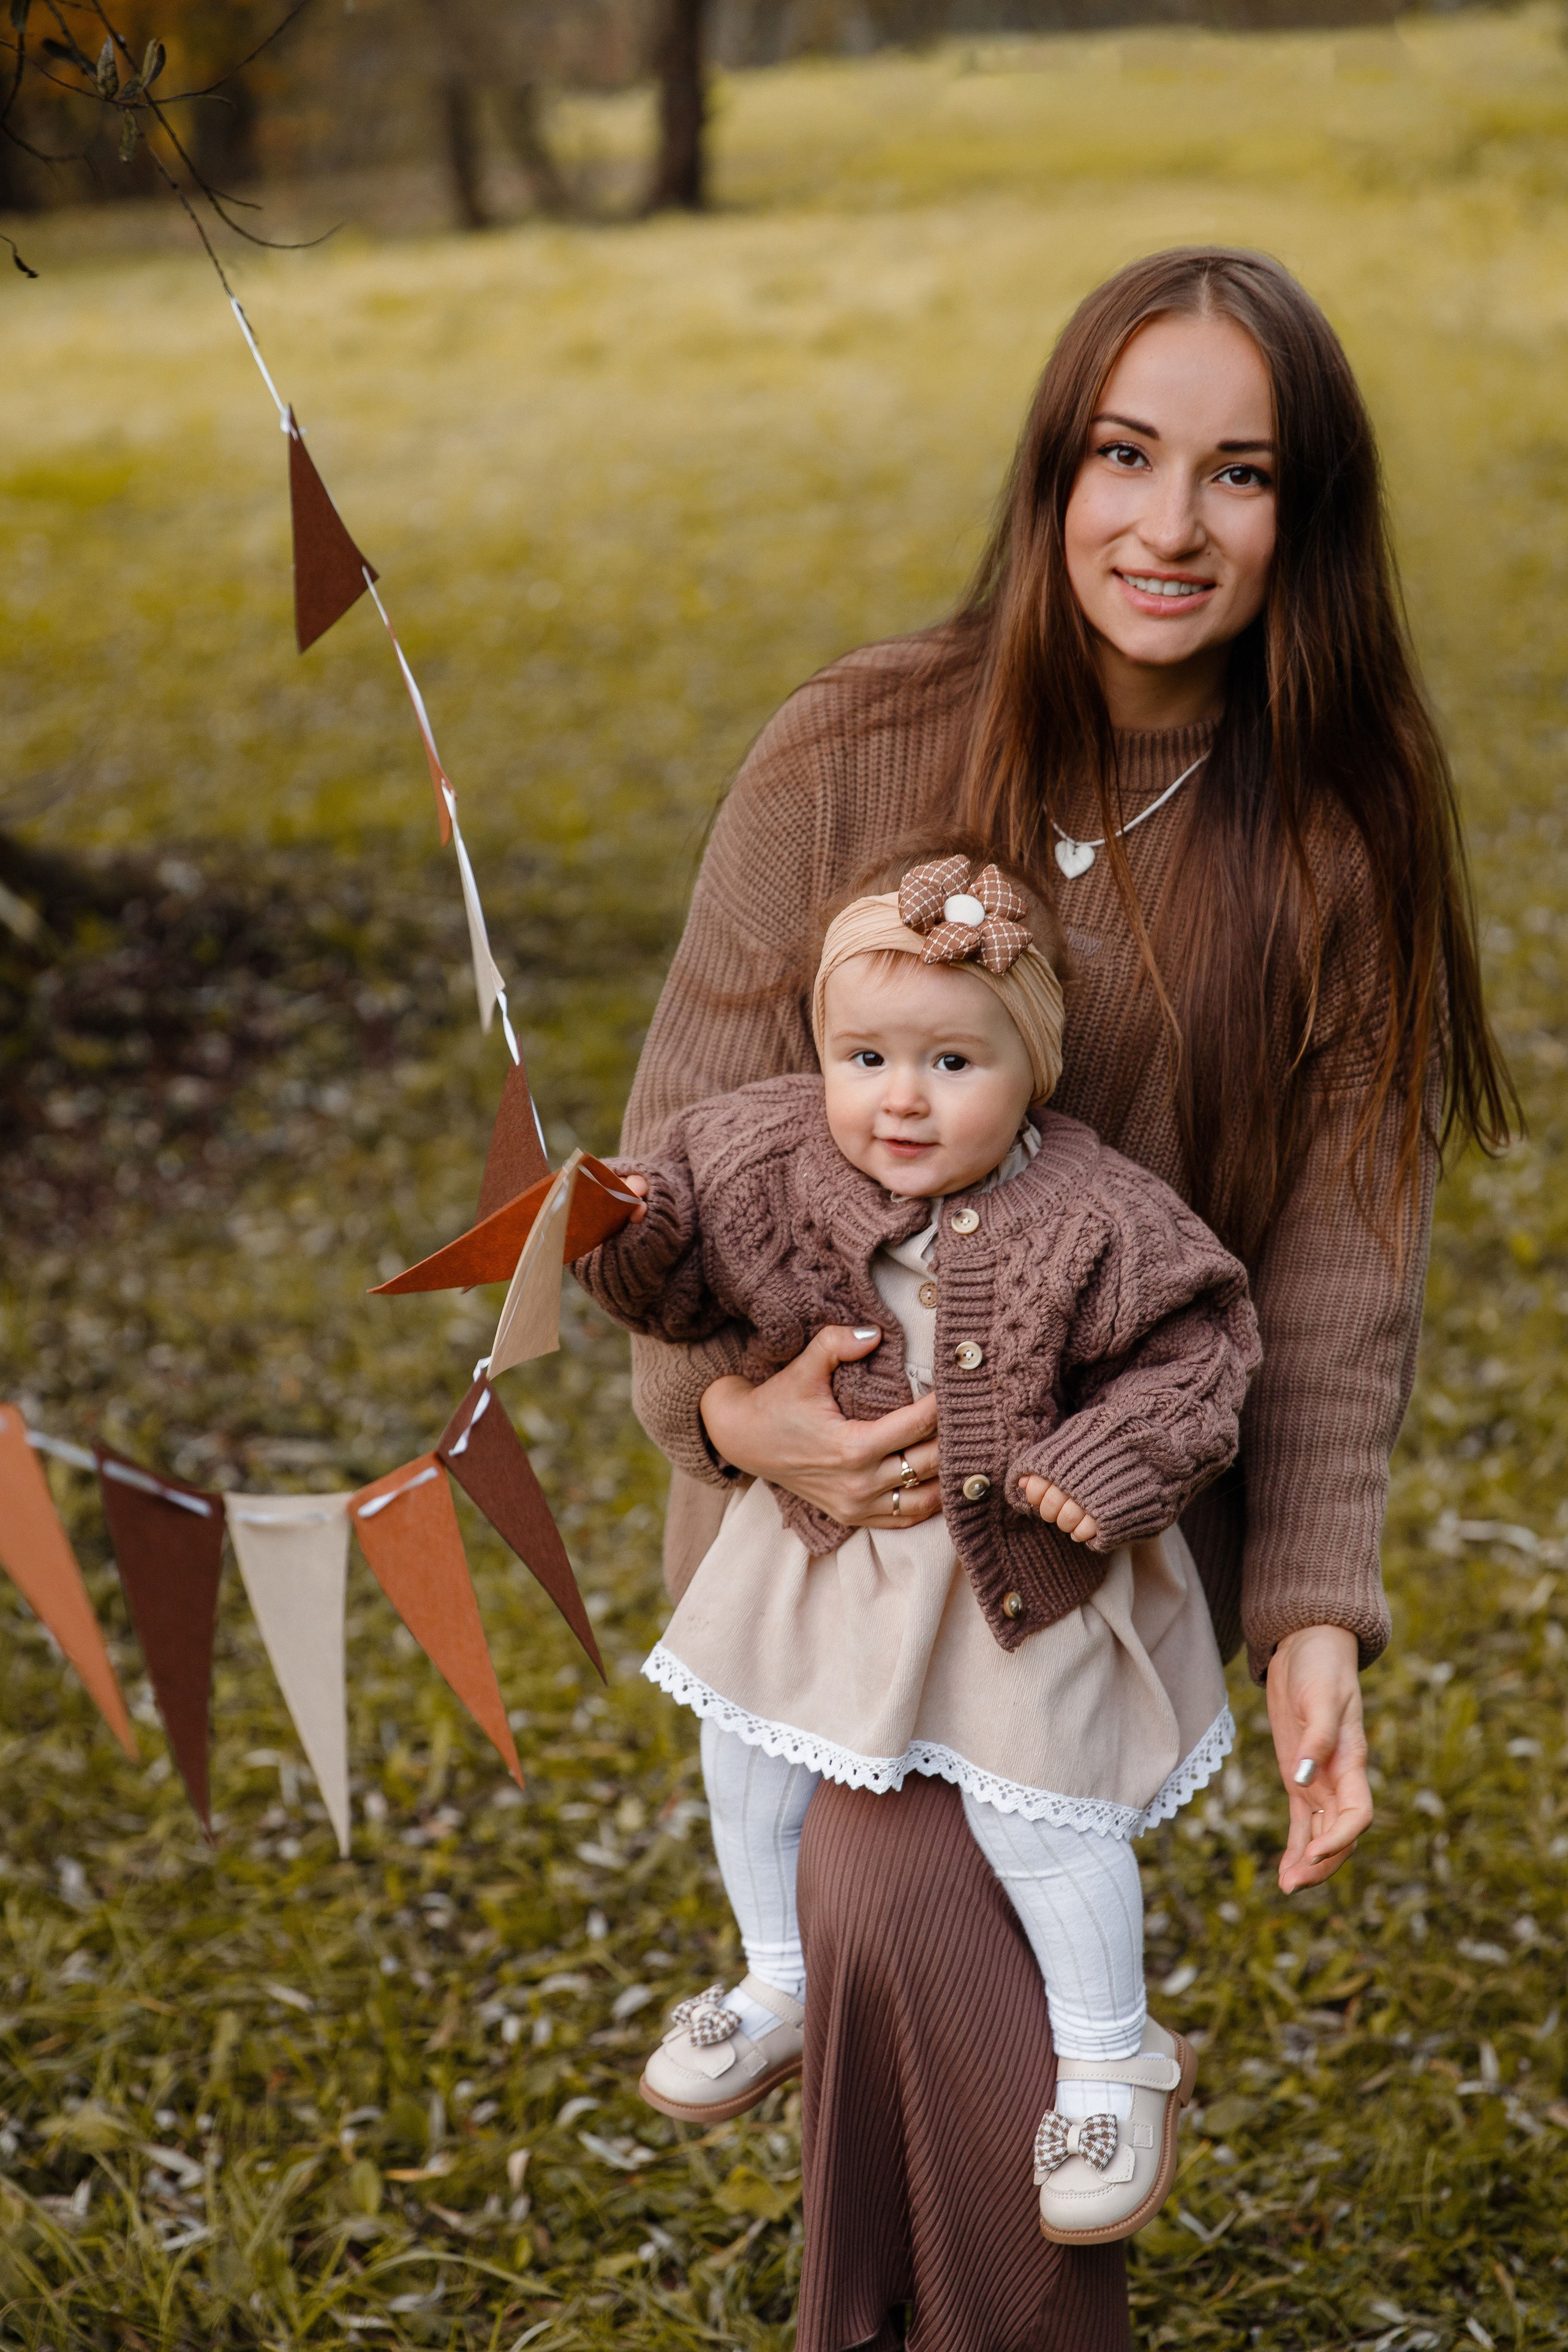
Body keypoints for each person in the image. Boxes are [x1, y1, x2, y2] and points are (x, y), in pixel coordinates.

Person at [617, 248, 1514, 2350]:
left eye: (1240, 473)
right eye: (1126, 454)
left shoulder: (1341, 835)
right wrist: (726, 1421)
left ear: (1309, 514)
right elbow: (671, 1159)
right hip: (819, 1542)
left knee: (930, 1937)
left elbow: (1338, 1276)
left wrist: (1310, 1608)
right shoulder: (852, 745)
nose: (1170, 524)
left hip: (1075, 1561)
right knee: (875, 1928)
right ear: (1053, 473)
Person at [576, 842, 1261, 2242]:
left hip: (1017, 1568)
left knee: (1039, 1812)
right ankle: (779, 1976)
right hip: (825, 1545)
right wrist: (627, 1228)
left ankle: (1111, 2057)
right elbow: (671, 1278)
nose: (899, 1097)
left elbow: (1201, 1348)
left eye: (951, 1063)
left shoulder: (1098, 1213)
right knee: (744, 1752)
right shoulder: (759, 1152)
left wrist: (1104, 1462)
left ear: (1032, 1070)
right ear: (820, 1053)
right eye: (865, 1057)